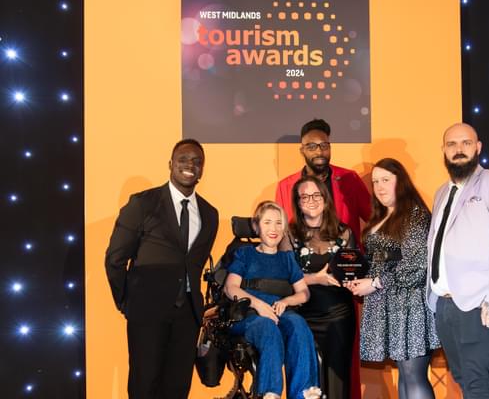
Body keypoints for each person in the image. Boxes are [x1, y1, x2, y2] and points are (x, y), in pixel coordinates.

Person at [105, 139, 219, 399]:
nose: (190, 165)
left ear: (202, 169)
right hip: (146, 312)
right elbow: (115, 258)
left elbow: (195, 263)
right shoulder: (142, 203)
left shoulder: (210, 214)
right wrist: (126, 301)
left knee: (178, 388)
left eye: (197, 162)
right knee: (144, 386)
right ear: (170, 164)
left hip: (188, 316)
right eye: (183, 159)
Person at [426, 123, 489, 399]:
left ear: (478, 147)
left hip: (483, 302)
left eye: (466, 143)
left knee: (478, 380)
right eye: (452, 145)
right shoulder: (441, 193)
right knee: (469, 378)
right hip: (445, 303)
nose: (459, 150)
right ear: (443, 151)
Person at [348, 158, 440, 399]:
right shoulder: (379, 218)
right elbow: (376, 262)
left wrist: (376, 283)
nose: (379, 186)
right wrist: (358, 279)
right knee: (404, 374)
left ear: (401, 181)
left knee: (413, 375)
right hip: (388, 305)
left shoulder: (415, 215)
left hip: (410, 306)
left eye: (386, 180)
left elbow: (417, 266)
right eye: (376, 181)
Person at [224, 201, 321, 399]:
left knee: (298, 324)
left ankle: (304, 392)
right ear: (256, 226)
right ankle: (270, 393)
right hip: (249, 314)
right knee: (268, 327)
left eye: (278, 223)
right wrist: (258, 305)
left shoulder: (287, 258)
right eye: (267, 222)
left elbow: (304, 292)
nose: (273, 229)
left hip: (280, 311)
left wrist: (287, 301)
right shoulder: (245, 254)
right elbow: (230, 287)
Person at [280, 175, 356, 399]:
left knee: (338, 376)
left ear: (325, 198)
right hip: (303, 316)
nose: (311, 200)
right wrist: (316, 278)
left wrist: (354, 279)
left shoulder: (344, 232)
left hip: (339, 316)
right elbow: (286, 278)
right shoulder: (289, 234)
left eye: (316, 195)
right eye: (304, 196)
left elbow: (350, 272)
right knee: (306, 378)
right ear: (297, 202)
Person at [275, 118, 371, 247]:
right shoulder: (285, 186)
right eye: (312, 146)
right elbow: (280, 231)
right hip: (300, 263)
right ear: (302, 150)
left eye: (324, 146)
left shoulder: (349, 178)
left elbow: (374, 218)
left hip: (345, 261)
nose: (319, 152)